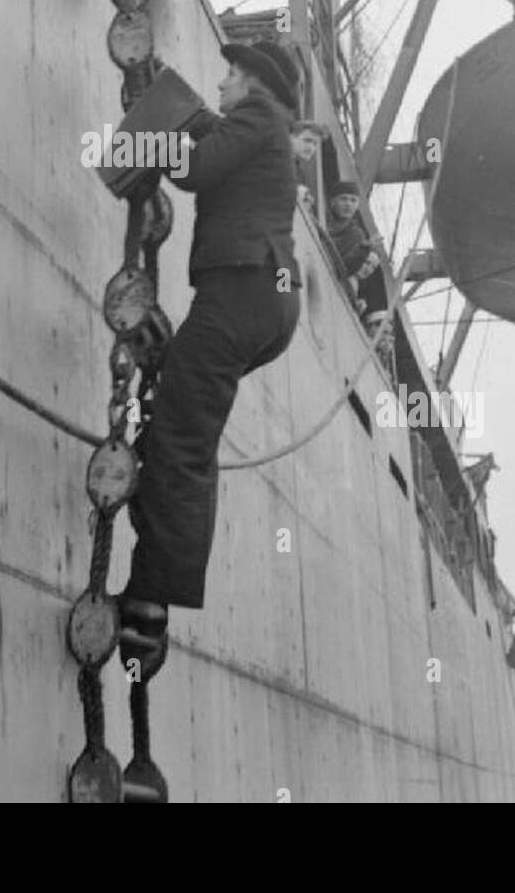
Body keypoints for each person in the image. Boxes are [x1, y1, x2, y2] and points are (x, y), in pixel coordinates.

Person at [120, 39, 302, 677]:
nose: (221, 84)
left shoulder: (258, 118)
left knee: (182, 440)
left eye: (230, 75)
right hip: (260, 300)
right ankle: (154, 580)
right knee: (182, 422)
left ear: (254, 84)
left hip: (243, 290)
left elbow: (195, 170)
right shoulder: (264, 132)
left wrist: (144, 143)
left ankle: (148, 605)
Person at [325, 179, 389, 336]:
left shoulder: (356, 234)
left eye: (353, 200)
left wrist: (365, 248)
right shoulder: (321, 218)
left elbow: (344, 268)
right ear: (332, 202)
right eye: (344, 199)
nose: (348, 204)